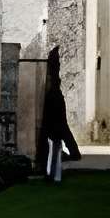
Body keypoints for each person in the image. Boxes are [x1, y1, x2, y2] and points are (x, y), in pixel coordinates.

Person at [40, 48, 81, 182]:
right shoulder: (56, 95)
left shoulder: (53, 95)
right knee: (55, 150)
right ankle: (55, 175)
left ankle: (52, 175)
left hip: (53, 128)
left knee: (54, 150)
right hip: (56, 127)